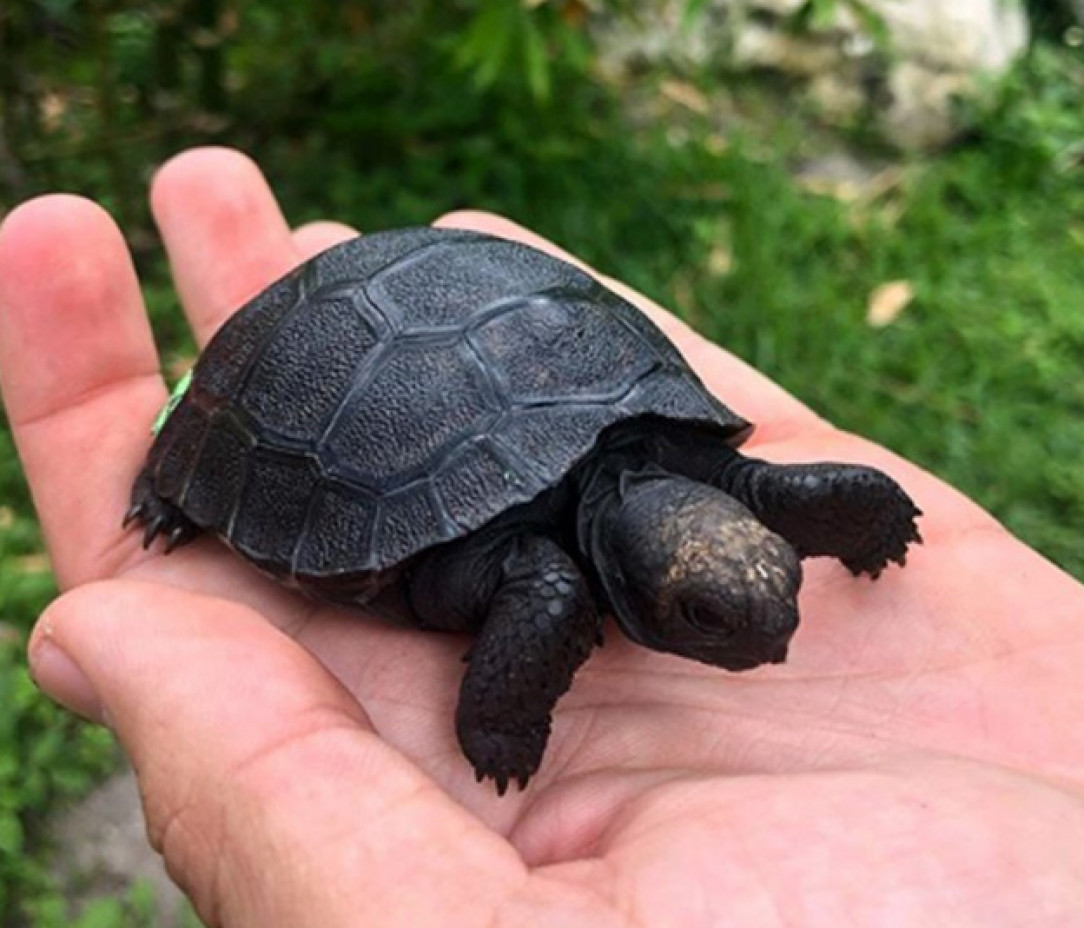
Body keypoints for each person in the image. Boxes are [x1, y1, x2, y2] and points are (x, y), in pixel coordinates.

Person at [1, 147, 1082, 927]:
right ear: (650, 591)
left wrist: (868, 525)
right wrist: (502, 726)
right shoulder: (547, 574)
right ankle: (183, 475)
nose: (769, 637)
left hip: (559, 361)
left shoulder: (706, 478)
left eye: (757, 603)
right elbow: (554, 588)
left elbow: (812, 496)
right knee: (548, 589)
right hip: (348, 359)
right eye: (713, 616)